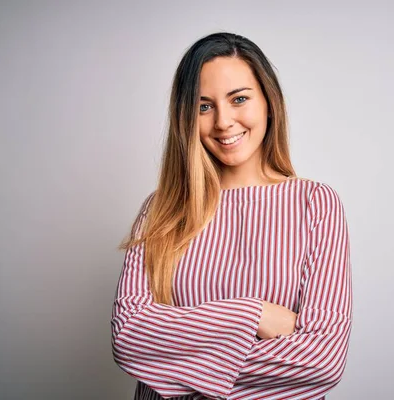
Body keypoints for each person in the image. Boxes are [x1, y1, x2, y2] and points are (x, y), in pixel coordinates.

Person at [111, 32, 353, 400]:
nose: (224, 121)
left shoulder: (316, 204)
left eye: (239, 99)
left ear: (269, 102)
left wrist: (179, 360)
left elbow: (321, 360)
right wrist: (252, 315)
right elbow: (129, 337)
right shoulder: (161, 210)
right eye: (204, 106)